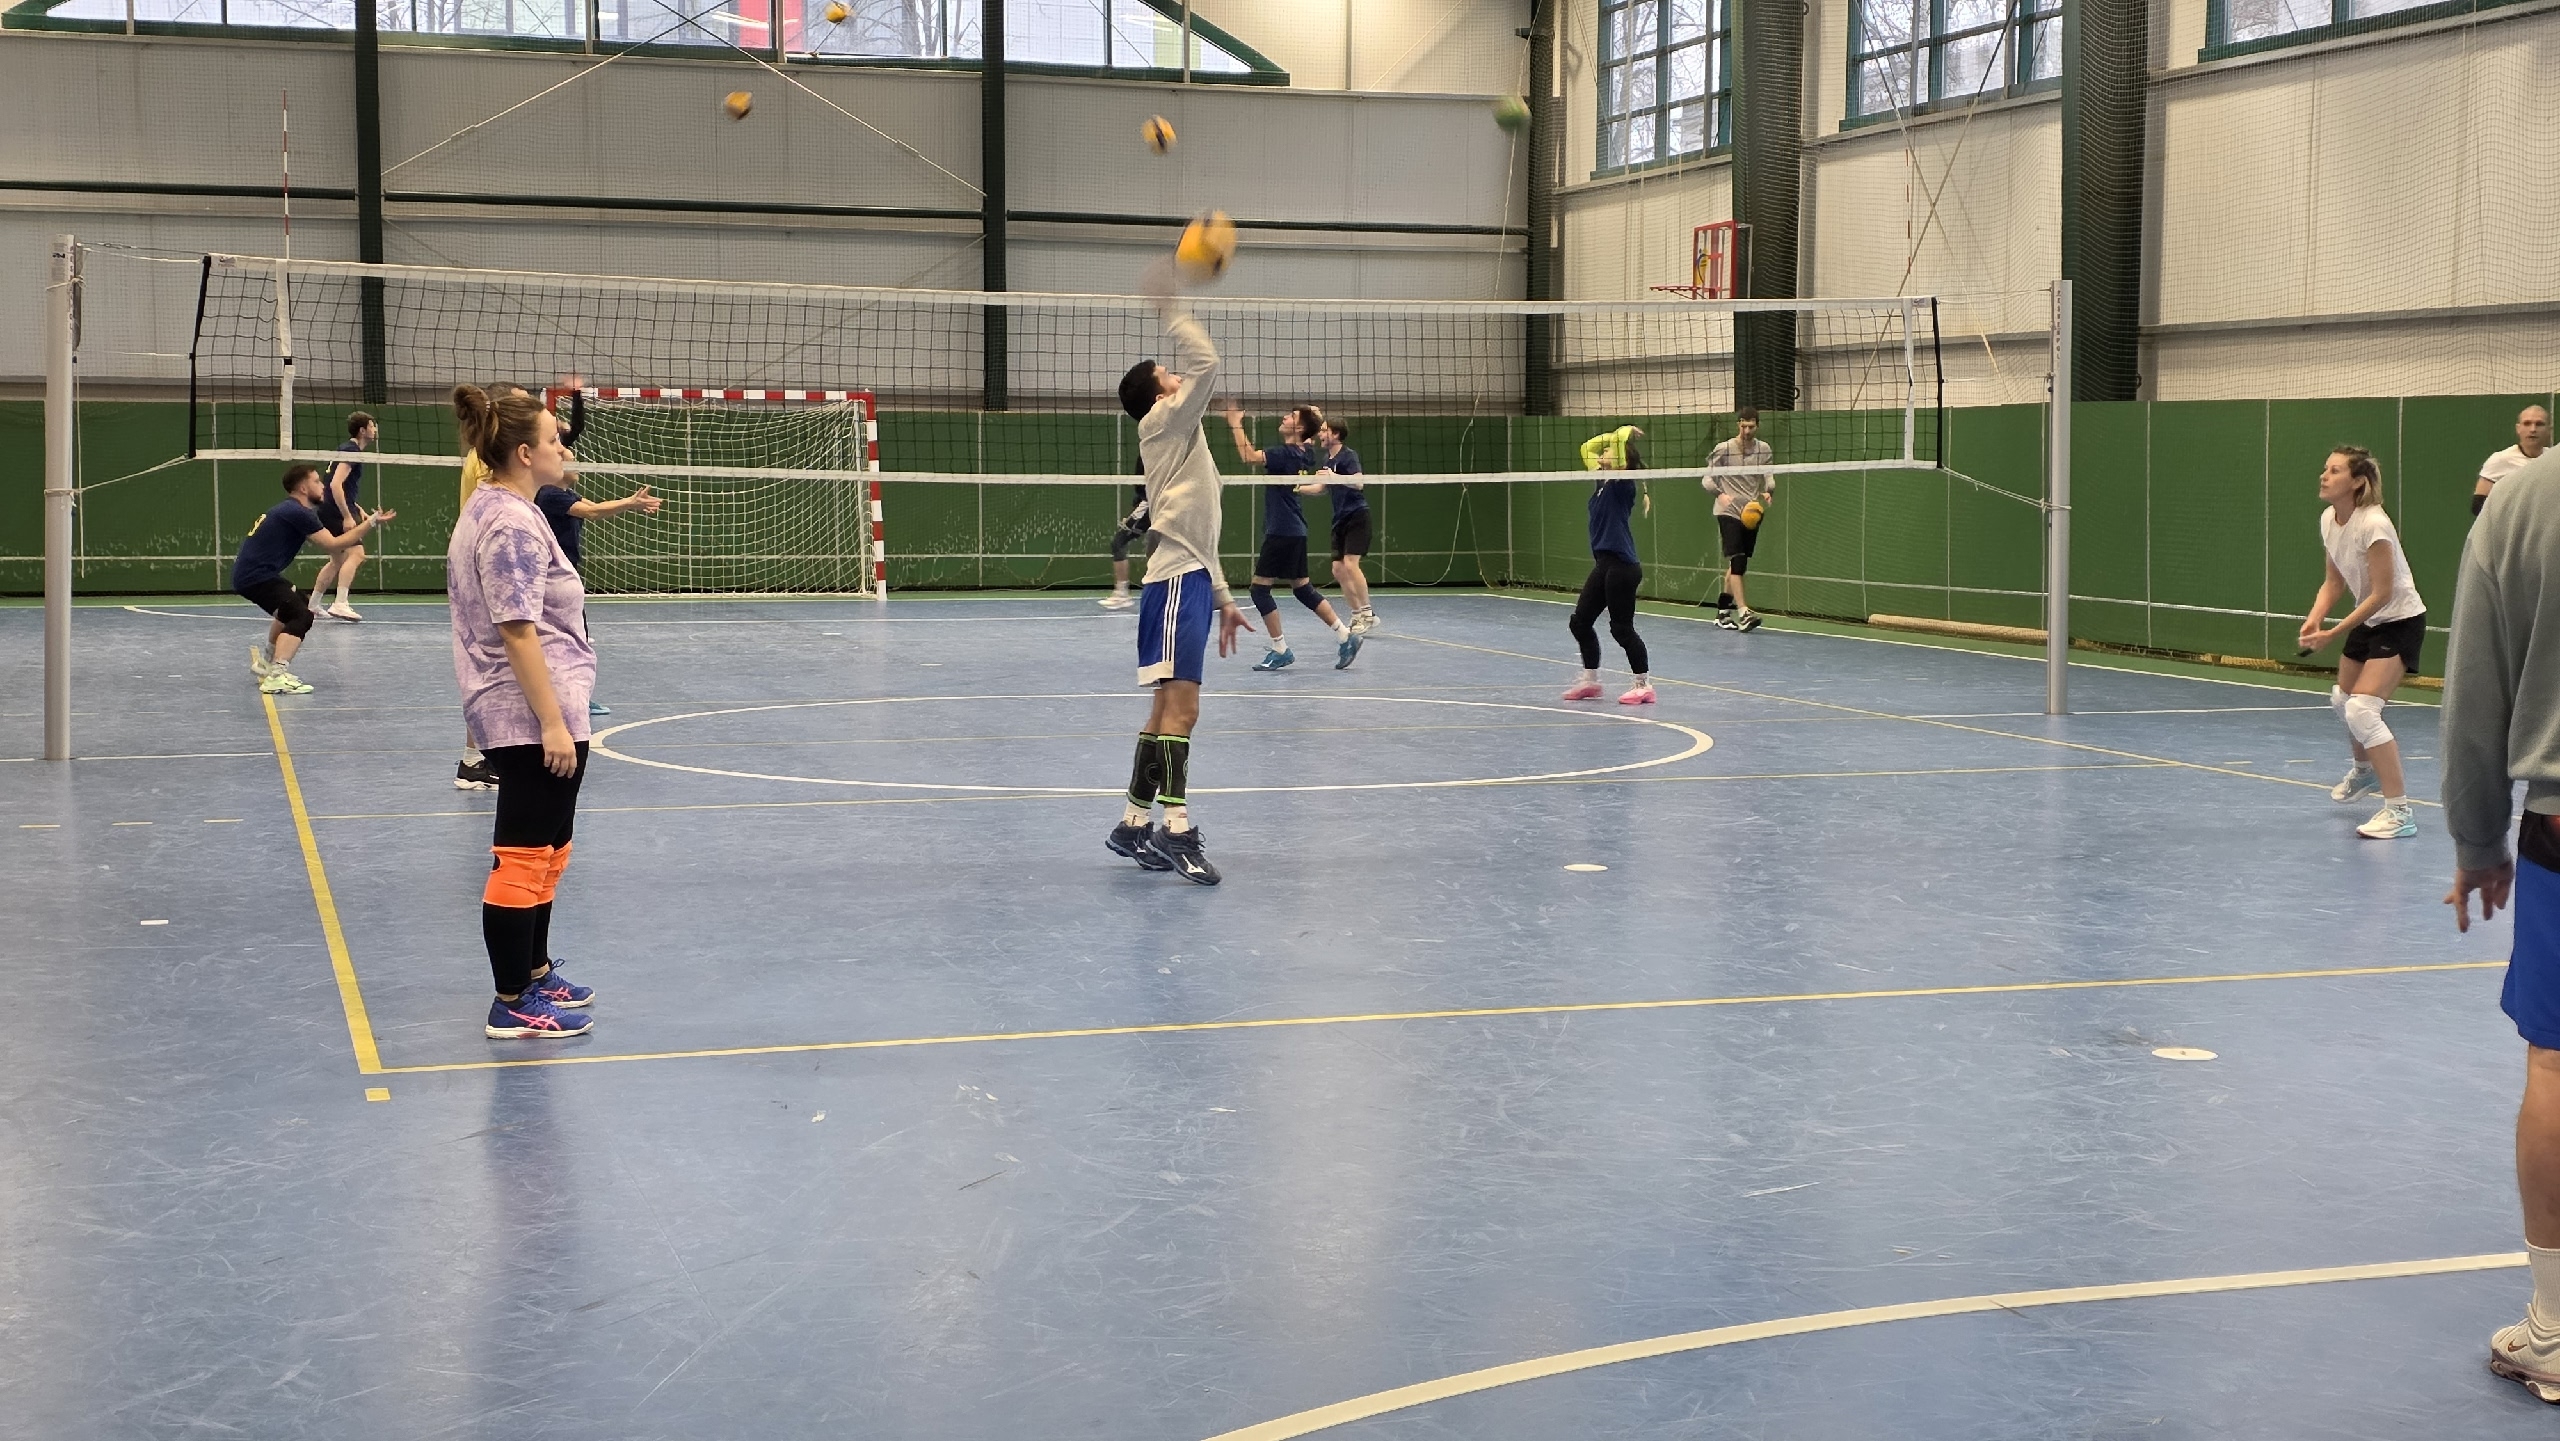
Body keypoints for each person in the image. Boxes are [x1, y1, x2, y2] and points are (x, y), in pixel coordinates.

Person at [2443, 447, 2560, 1402]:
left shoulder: (2523, 502)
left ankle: (2555, 1327)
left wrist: (2478, 838)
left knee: (2557, 1062)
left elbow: (2476, 690)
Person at [447, 383, 601, 1039]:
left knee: (549, 849)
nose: (563, 448)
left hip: (543, 707)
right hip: (526, 714)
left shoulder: (512, 508)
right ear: (523, 453)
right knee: (522, 855)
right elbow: (516, 631)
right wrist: (552, 724)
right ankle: (511, 1000)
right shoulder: (508, 523)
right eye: (553, 440)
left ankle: (534, 972)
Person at [1103, 268, 1254, 885]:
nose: (1176, 375)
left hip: (1186, 579)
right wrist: (1170, 308)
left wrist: (1222, 596)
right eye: (1167, 373)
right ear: (1159, 394)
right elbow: (1208, 362)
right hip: (1172, 585)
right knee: (1182, 712)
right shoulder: (1163, 421)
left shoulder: (1181, 437)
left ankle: (1133, 824)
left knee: (1166, 710)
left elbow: (1196, 533)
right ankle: (1177, 830)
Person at [2297, 444, 2426, 840]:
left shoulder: (2374, 524)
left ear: (2357, 482)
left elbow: (2383, 593)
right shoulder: (2329, 519)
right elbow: (2334, 581)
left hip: (2399, 620)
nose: (2324, 476)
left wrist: (2333, 633)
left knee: (2363, 711)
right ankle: (2365, 772)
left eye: (2334, 470)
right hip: (2370, 619)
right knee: (2344, 700)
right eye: (2325, 468)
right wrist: (2316, 617)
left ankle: (2399, 813)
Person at [233, 462, 396, 695]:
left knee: (297, 603)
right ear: (302, 488)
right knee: (301, 615)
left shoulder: (294, 511)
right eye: (317, 482)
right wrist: (370, 523)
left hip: (253, 573)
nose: (323, 486)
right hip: (256, 576)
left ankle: (266, 663)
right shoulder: (298, 512)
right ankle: (277, 675)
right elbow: (333, 544)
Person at [1223, 400, 1360, 672]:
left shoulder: (1285, 454)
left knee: (1259, 590)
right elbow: (1311, 430)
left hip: (1282, 531)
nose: (1285, 417)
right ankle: (1345, 635)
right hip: (1295, 530)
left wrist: (1235, 424)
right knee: (1303, 589)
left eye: (1291, 416)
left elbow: (1248, 456)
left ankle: (1280, 649)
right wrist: (1312, 415)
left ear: (1299, 428)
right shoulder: (1304, 452)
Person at [533, 473, 662, 716]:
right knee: (567, 639)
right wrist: (630, 502)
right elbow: (592, 513)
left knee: (576, 637)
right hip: (552, 578)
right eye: (565, 456)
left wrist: (631, 505)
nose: (574, 461)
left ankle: (576, 695)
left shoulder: (566, 494)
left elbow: (596, 508)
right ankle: (567, 697)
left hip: (566, 575)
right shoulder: (549, 494)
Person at [1563, 426, 1654, 706]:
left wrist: (1623, 431)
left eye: (1609, 450)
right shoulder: (1602, 482)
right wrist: (1613, 437)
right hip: (1604, 564)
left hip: (1623, 566)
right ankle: (1590, 681)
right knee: (1580, 622)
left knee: (1621, 628)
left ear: (1621, 462)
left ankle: (1643, 685)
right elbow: (1586, 448)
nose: (1603, 451)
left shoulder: (1622, 484)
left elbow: (1617, 444)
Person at [1299, 419, 1374, 633]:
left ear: (1336, 434)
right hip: (1339, 519)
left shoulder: (1348, 456)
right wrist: (1295, 487)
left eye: (1324, 431)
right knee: (1338, 569)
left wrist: (1335, 476)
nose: (1320, 434)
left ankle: (1367, 613)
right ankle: (1357, 614)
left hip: (1357, 515)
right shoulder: (1327, 459)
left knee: (1350, 564)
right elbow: (1320, 488)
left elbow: (1358, 483)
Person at [1703, 406, 1774, 631]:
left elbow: (1768, 475)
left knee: (1737, 565)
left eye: (1751, 427)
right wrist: (1720, 495)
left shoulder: (1763, 449)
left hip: (1751, 512)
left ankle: (1723, 612)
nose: (1747, 431)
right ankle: (1744, 612)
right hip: (1728, 511)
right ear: (1738, 425)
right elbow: (1706, 479)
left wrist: (1769, 490)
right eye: (1743, 426)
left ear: (1757, 426)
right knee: (1738, 561)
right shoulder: (1724, 449)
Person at [311, 411, 377, 622]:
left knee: (337, 560)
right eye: (372, 425)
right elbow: (335, 484)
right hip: (335, 510)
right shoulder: (351, 451)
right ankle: (340, 603)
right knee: (357, 554)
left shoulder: (347, 449)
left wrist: (357, 508)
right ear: (362, 430)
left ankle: (312, 605)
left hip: (329, 507)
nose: (375, 429)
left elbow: (340, 487)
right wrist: (347, 516)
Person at [2478, 405, 2553, 518]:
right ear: (2518, 429)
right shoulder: (2501, 459)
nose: (2533, 429)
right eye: (2527, 424)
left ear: (2549, 430)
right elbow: (2478, 504)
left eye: (2539, 424)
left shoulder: (2554, 459)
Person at [1099, 467, 1149, 611]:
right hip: (1148, 506)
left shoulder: (1151, 457)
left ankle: (1122, 594)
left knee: (1118, 542)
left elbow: (1149, 494)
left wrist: (1133, 519)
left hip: (1150, 507)